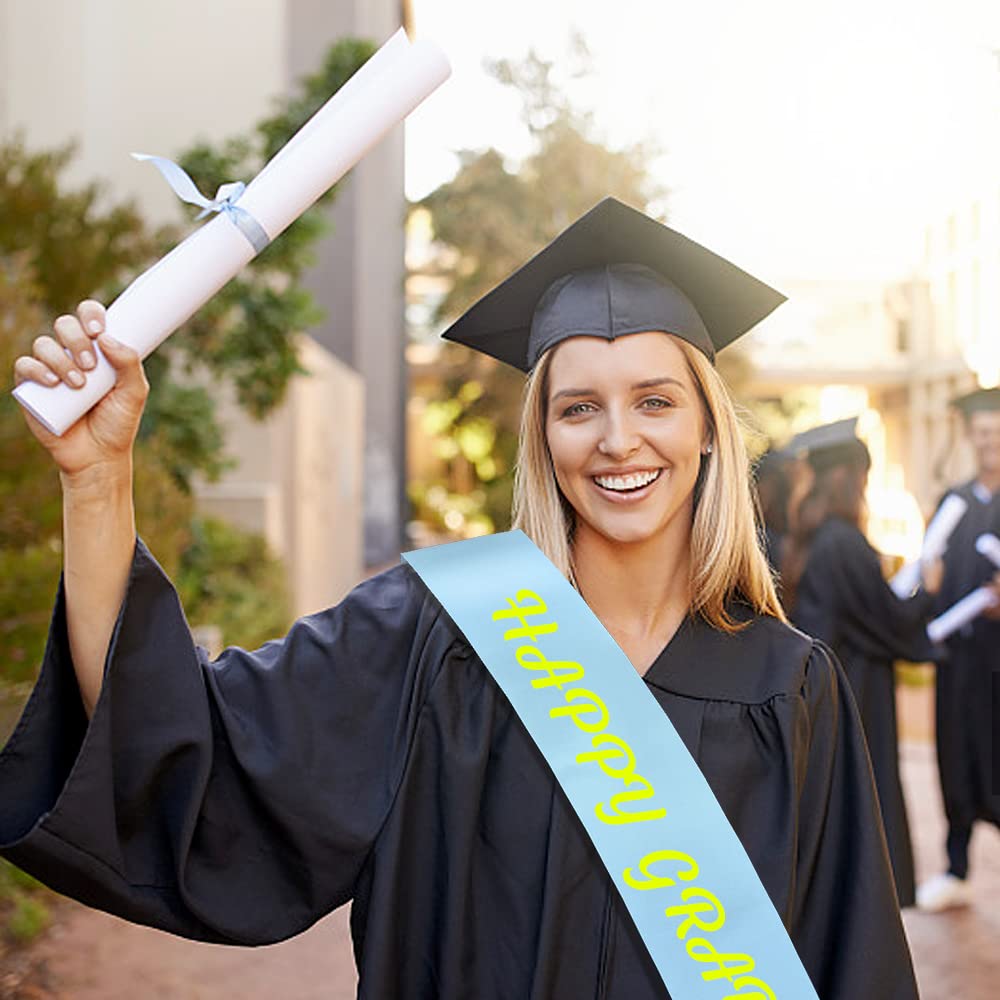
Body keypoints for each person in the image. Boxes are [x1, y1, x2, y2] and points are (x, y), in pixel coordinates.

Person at [1, 198, 918, 999]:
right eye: (577, 408)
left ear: (709, 428)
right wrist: (98, 482)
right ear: (544, 439)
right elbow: (179, 746)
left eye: (655, 401)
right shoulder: (440, 631)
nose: (618, 440)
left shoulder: (789, 685)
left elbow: (852, 962)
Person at [781, 417, 941, 909]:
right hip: (857, 688)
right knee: (866, 796)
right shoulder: (842, 542)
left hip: (829, 683)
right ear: (850, 479)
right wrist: (927, 591)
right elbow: (885, 616)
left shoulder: (808, 539)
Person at [917, 387, 1000, 912]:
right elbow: (929, 572)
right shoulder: (955, 502)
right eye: (981, 433)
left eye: (995, 432)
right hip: (959, 659)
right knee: (956, 752)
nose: (988, 441)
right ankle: (957, 867)